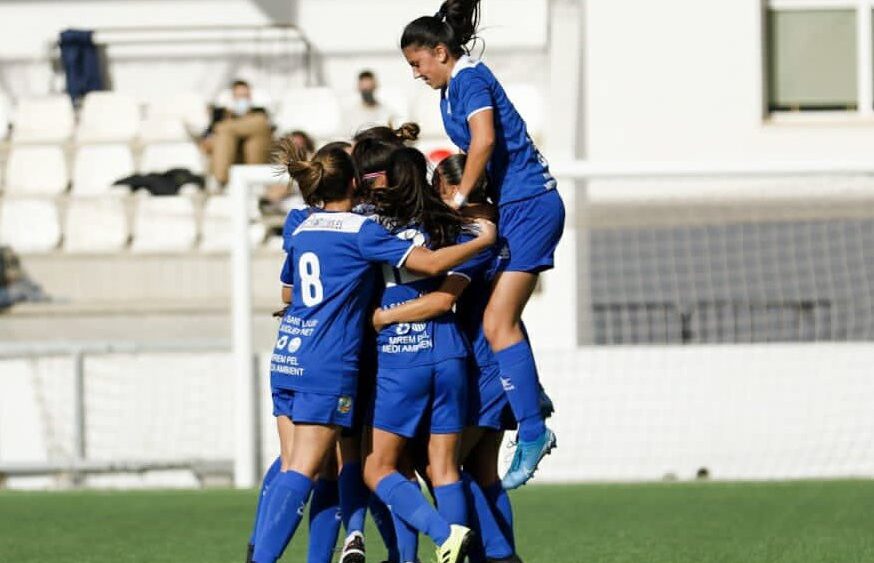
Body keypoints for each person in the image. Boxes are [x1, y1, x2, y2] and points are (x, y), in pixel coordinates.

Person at [251, 139, 495, 563]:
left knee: (301, 465)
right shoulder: (362, 230)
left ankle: (269, 550)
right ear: (354, 183)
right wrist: (483, 238)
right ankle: (441, 537)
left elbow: (289, 292)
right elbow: (433, 266)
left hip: (289, 351)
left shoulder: (302, 226)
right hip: (333, 360)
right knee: (313, 468)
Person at [400, 0, 565, 490]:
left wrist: (464, 197)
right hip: (516, 207)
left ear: (440, 51)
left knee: (497, 321)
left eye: (417, 63)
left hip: (530, 204)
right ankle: (531, 402)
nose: (416, 73)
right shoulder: (451, 90)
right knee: (498, 314)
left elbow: (487, 141)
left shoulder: (470, 79)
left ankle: (533, 430)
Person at [373, 154, 521, 562]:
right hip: (494, 356)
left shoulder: (476, 235)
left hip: (482, 361)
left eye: (440, 190)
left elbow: (441, 300)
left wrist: (385, 316)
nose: (438, 199)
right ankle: (500, 555)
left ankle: (492, 553)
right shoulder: (498, 225)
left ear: (457, 189)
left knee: (440, 463)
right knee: (479, 469)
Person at [202, 79, 273, 185]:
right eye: (239, 96)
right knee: (223, 137)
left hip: (254, 157)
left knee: (253, 134)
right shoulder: (222, 116)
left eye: (245, 96)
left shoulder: (259, 114)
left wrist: (221, 127)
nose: (242, 99)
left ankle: (250, 180)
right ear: (232, 97)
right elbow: (206, 142)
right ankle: (221, 180)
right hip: (230, 158)